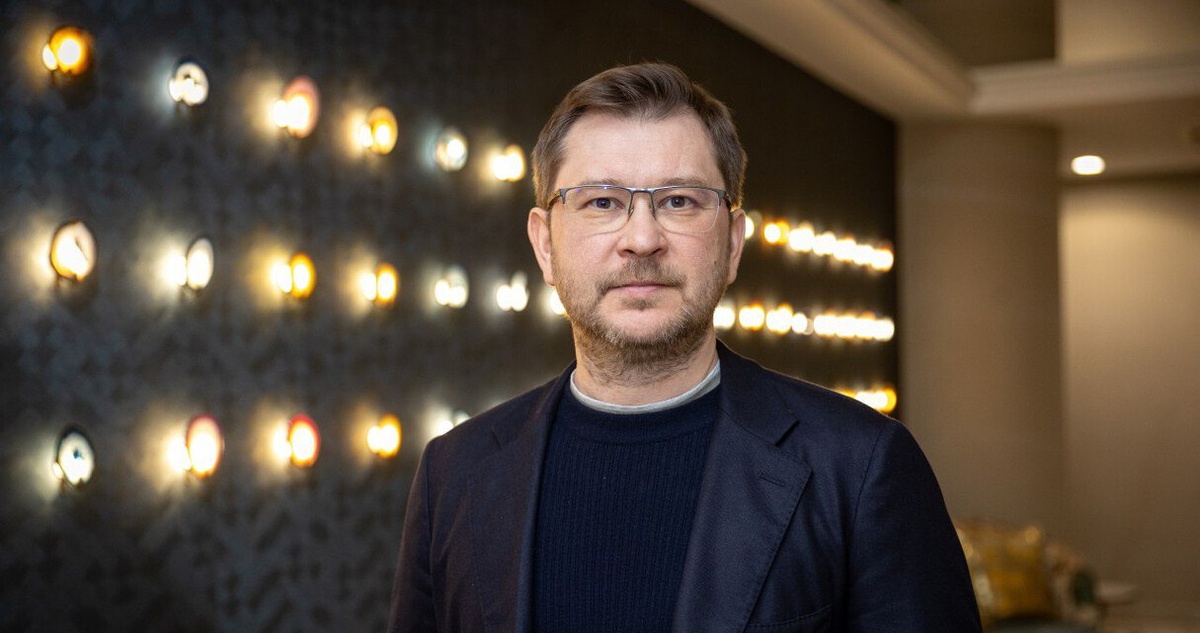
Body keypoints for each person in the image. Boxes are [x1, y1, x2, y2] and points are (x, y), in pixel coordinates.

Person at [387, 62, 980, 633]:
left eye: (679, 201)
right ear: (545, 245)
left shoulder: (861, 466)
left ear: (733, 243)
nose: (642, 239)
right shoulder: (454, 472)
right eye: (601, 201)